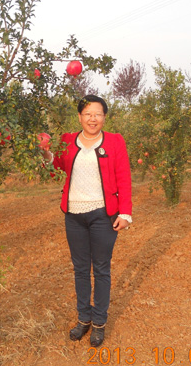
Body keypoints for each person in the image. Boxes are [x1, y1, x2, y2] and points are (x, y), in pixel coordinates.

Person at [48, 95, 132, 347]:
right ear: (80, 117)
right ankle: (83, 319)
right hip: (73, 215)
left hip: (103, 215)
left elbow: (124, 176)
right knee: (81, 269)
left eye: (97, 113)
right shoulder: (67, 140)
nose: (92, 118)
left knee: (102, 268)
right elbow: (57, 166)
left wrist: (125, 213)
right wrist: (46, 152)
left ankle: (99, 323)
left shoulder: (115, 141)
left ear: (104, 117)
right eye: (87, 113)